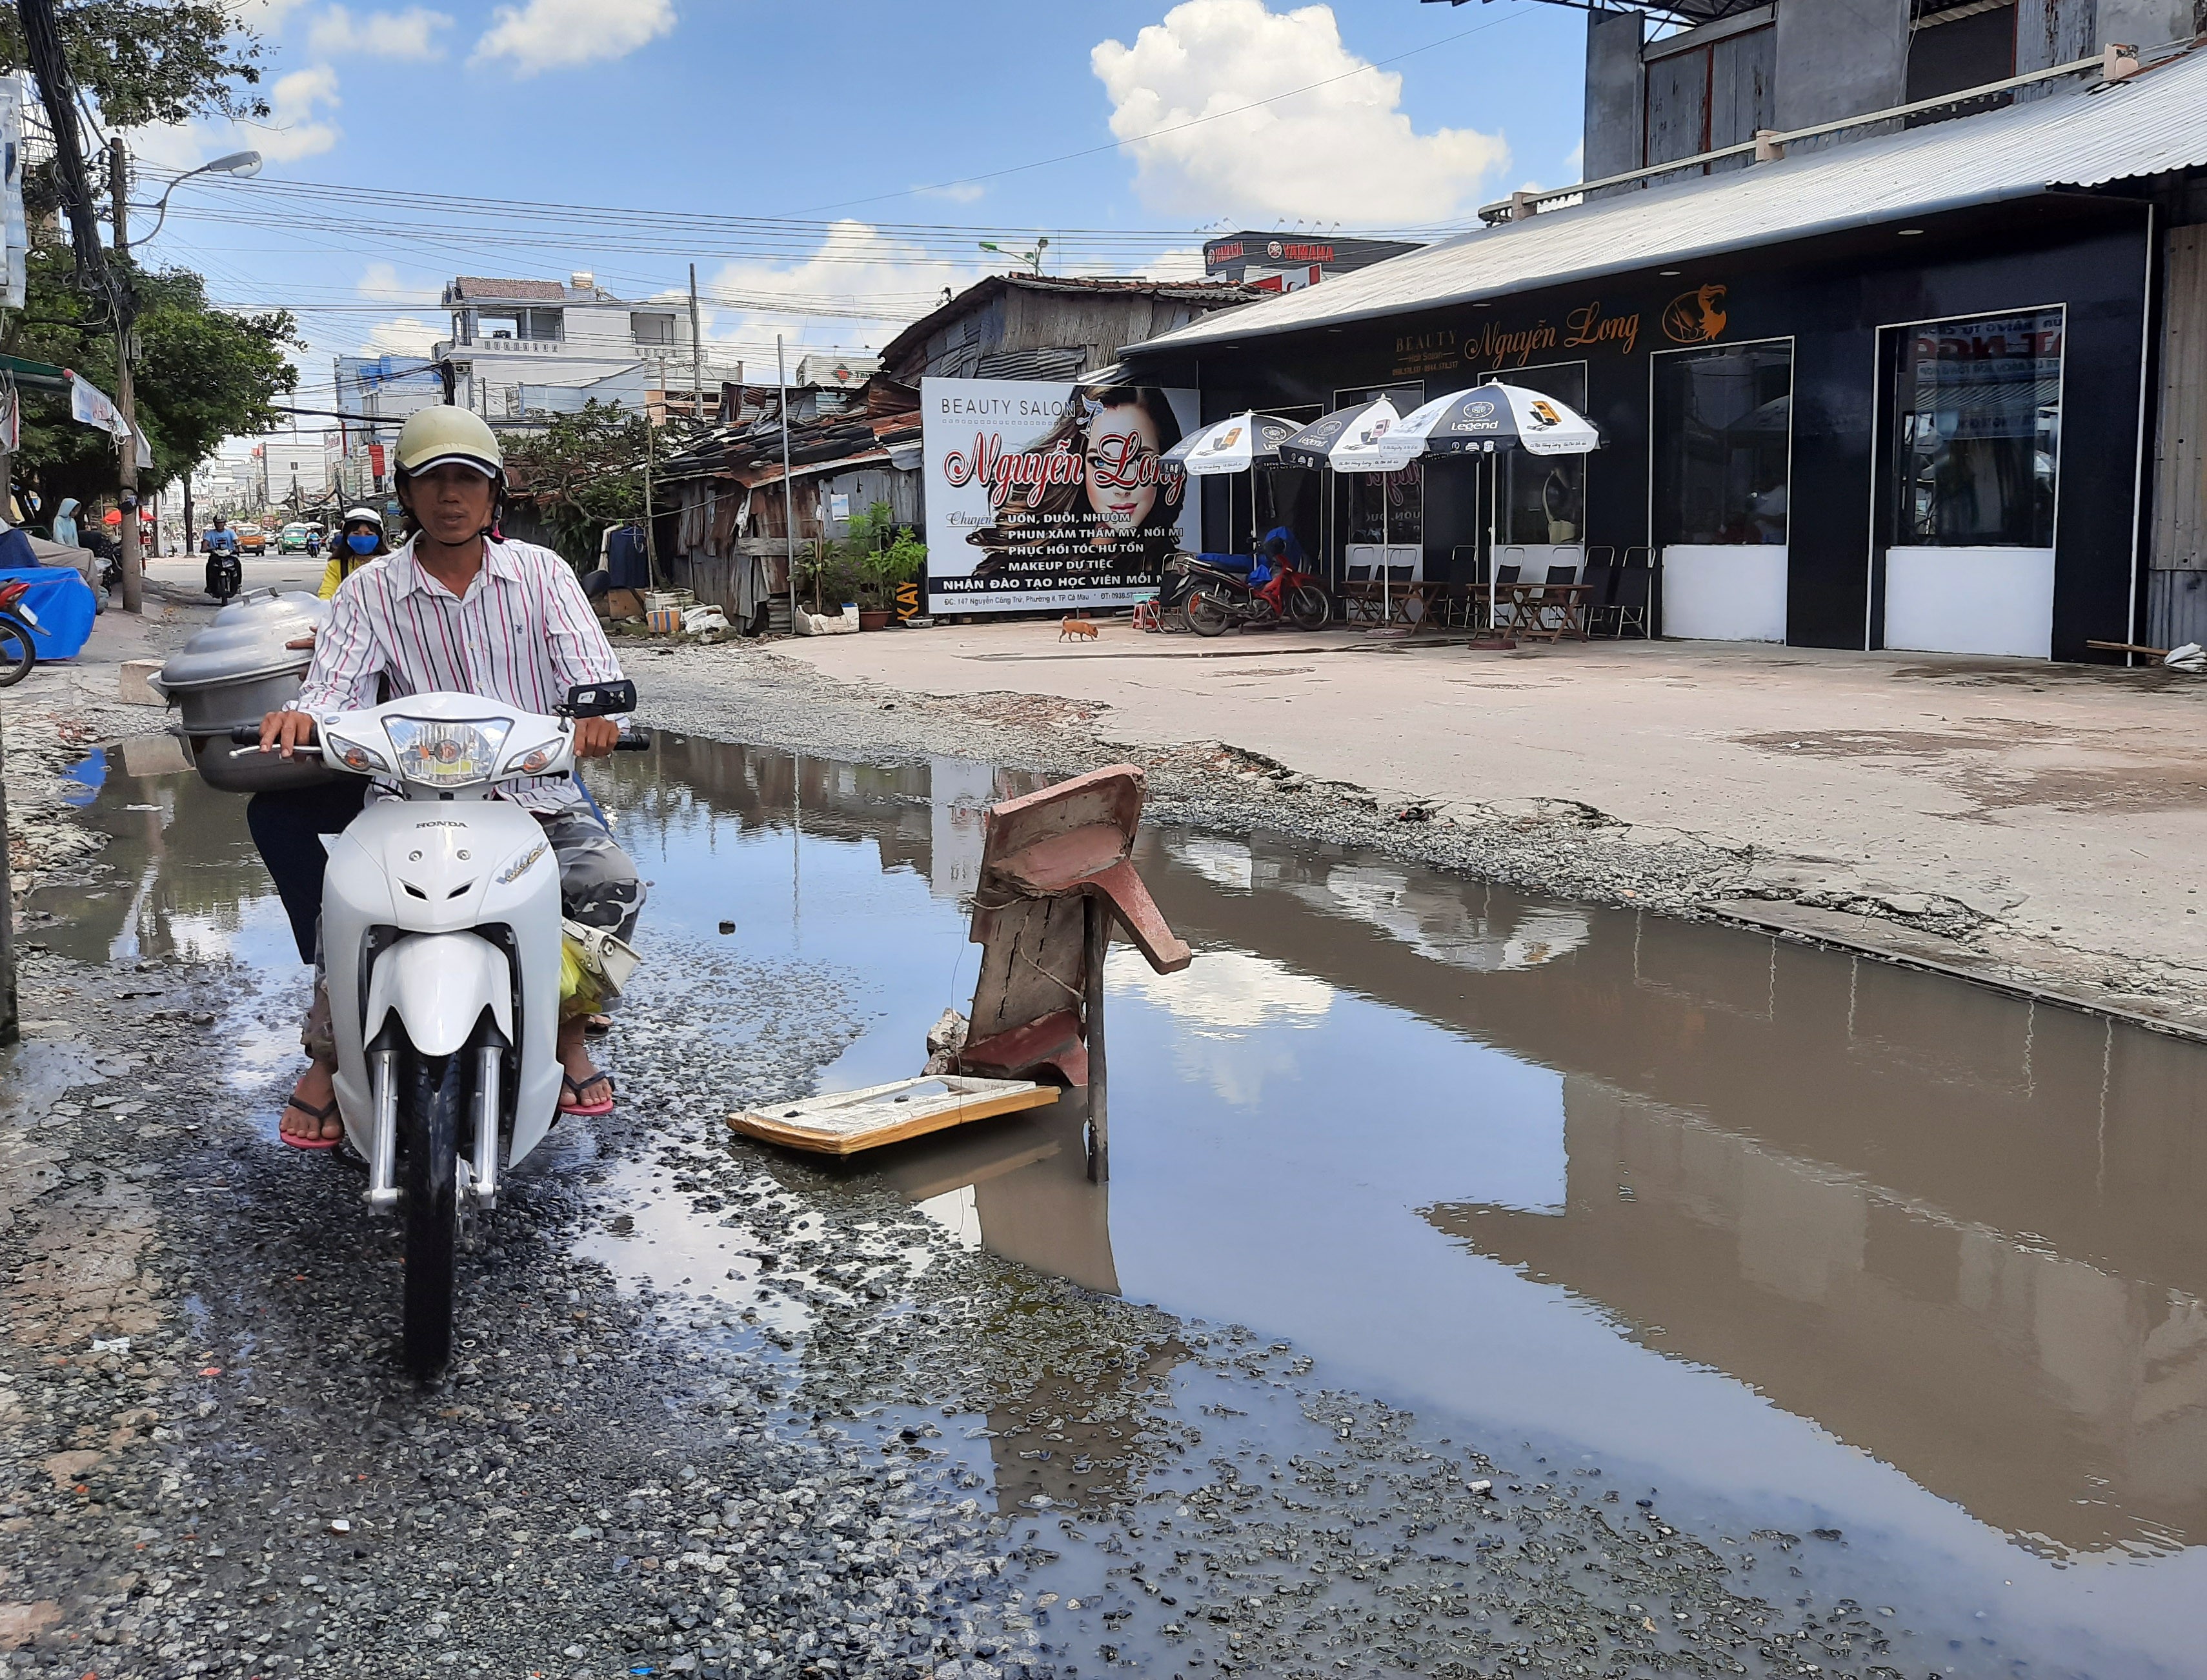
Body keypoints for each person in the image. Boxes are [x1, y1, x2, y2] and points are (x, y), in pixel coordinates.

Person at [258, 406, 644, 1146]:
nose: (451, 497)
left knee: (611, 883)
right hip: (407, 799)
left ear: (495, 492)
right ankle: (330, 1053)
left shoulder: (543, 575)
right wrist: (304, 719)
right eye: (432, 481)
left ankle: (565, 1030)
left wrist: (599, 720)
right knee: (350, 899)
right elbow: (332, 690)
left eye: (468, 479)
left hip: (532, 794)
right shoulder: (370, 591)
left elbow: (595, 677)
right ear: (406, 494)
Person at [964, 386, 1187, 585]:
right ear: (1077, 467)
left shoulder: (1178, 571)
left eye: (1137, 460)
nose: (1121, 487)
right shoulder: (1024, 567)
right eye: (1099, 461)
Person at [316, 507, 387, 598]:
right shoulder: (337, 565)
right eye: (357, 534)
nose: (363, 538)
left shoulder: (391, 564)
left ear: (379, 537)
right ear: (347, 537)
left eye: (369, 534)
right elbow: (326, 596)